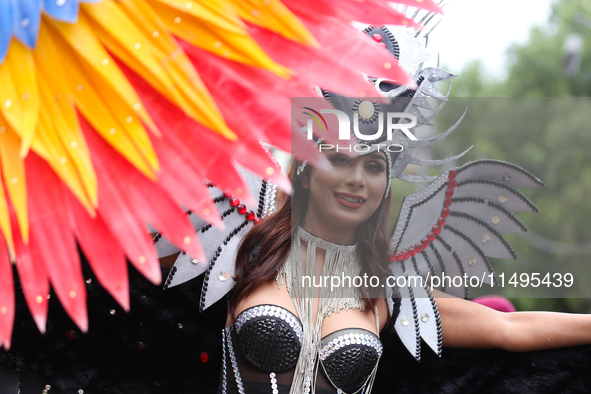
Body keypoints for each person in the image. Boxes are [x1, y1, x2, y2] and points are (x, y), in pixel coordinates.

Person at [217, 146, 591, 394]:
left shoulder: (386, 291)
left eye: (374, 167)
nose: (357, 179)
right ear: (305, 171)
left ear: (384, 187)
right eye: (341, 159)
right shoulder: (241, 252)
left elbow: (509, 328)